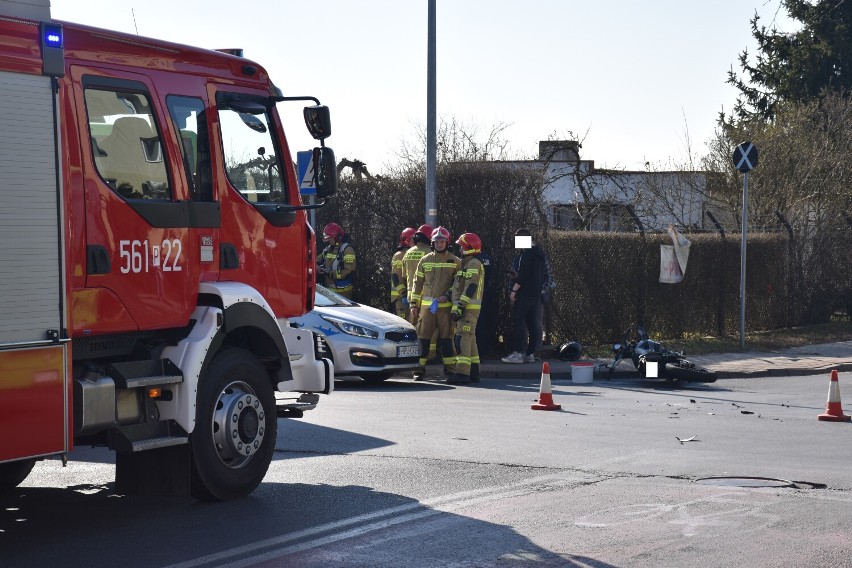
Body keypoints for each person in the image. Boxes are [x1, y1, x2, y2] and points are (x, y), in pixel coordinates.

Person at [410, 227, 461, 381]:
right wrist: (414, 304)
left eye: (442, 241)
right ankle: (419, 370)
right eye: (436, 241)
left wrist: (448, 295)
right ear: (432, 243)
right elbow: (416, 283)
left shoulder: (455, 261)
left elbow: (458, 284)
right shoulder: (424, 261)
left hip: (446, 308)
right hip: (427, 309)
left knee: (447, 340)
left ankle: (450, 370)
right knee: (423, 339)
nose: (439, 244)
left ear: (447, 242)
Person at [502, 228, 547, 364]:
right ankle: (529, 353)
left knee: (519, 322)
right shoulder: (539, 253)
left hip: (525, 293)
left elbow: (524, 276)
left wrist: (514, 291)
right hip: (536, 294)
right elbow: (537, 274)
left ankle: (518, 353)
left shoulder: (527, 255)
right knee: (532, 323)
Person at [448, 232, 485, 385]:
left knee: (462, 339)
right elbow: (458, 286)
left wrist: (460, 307)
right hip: (467, 308)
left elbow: (471, 287)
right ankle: (474, 372)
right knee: (470, 340)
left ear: (468, 248)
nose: (460, 250)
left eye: (462, 247)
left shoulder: (473, 263)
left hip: (467, 308)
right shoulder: (468, 263)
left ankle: (462, 373)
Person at [318, 222, 357, 298]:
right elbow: (318, 259)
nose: (329, 240)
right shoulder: (329, 249)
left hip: (343, 294)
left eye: (330, 238)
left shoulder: (348, 250)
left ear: (337, 236)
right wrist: (316, 266)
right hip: (329, 292)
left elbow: (349, 271)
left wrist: (330, 273)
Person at [390, 227, 415, 318]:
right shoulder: (400, 255)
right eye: (413, 239)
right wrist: (404, 294)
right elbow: (397, 276)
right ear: (407, 240)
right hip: (401, 298)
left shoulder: (410, 253)